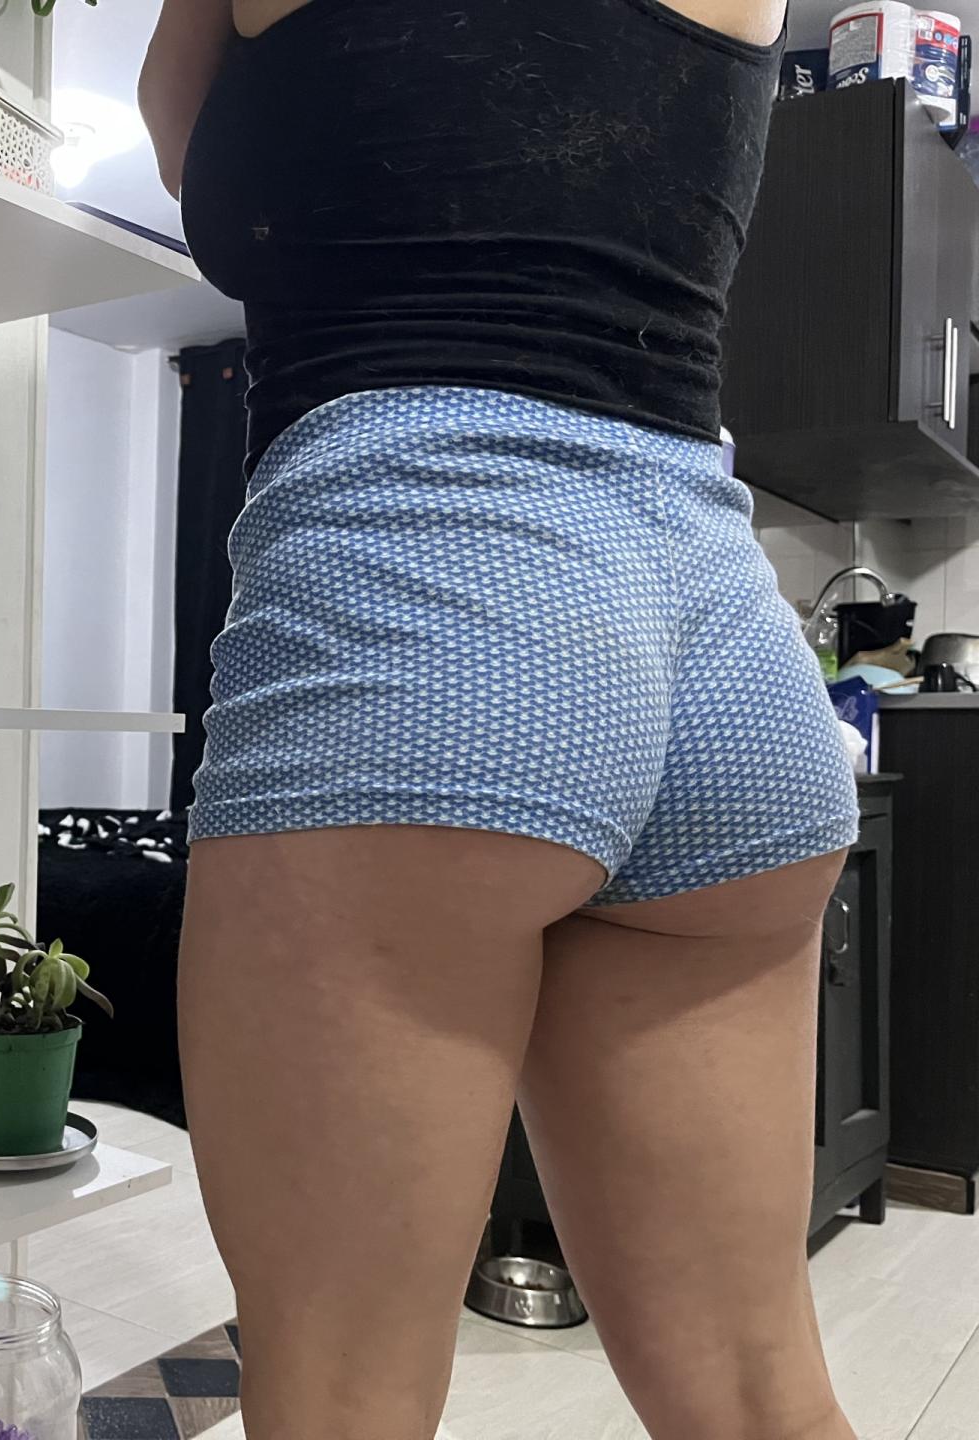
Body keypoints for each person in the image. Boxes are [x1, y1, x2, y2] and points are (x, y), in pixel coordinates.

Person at [140, 1, 861, 1436]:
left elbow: (189, 151)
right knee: (759, 1396)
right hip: (724, 635)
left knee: (340, 1399)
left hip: (435, 605)